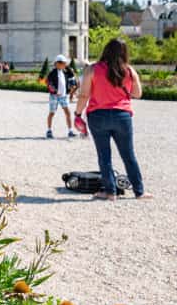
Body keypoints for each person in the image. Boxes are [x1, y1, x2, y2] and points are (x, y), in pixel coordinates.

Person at [74, 39, 147, 200]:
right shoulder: (128, 70)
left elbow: (84, 94)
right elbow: (137, 94)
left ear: (105, 50)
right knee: (128, 155)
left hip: (98, 115)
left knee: (104, 155)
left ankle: (110, 192)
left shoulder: (92, 69)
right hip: (122, 116)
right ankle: (139, 191)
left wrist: (78, 114)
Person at [45, 54, 77, 138]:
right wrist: (54, 90)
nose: (65, 65)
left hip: (63, 96)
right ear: (57, 64)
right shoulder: (52, 73)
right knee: (52, 113)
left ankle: (70, 131)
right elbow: (48, 83)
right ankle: (49, 130)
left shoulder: (65, 72)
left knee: (68, 112)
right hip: (54, 96)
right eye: (63, 63)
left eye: (65, 63)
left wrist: (71, 87)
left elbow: (72, 77)